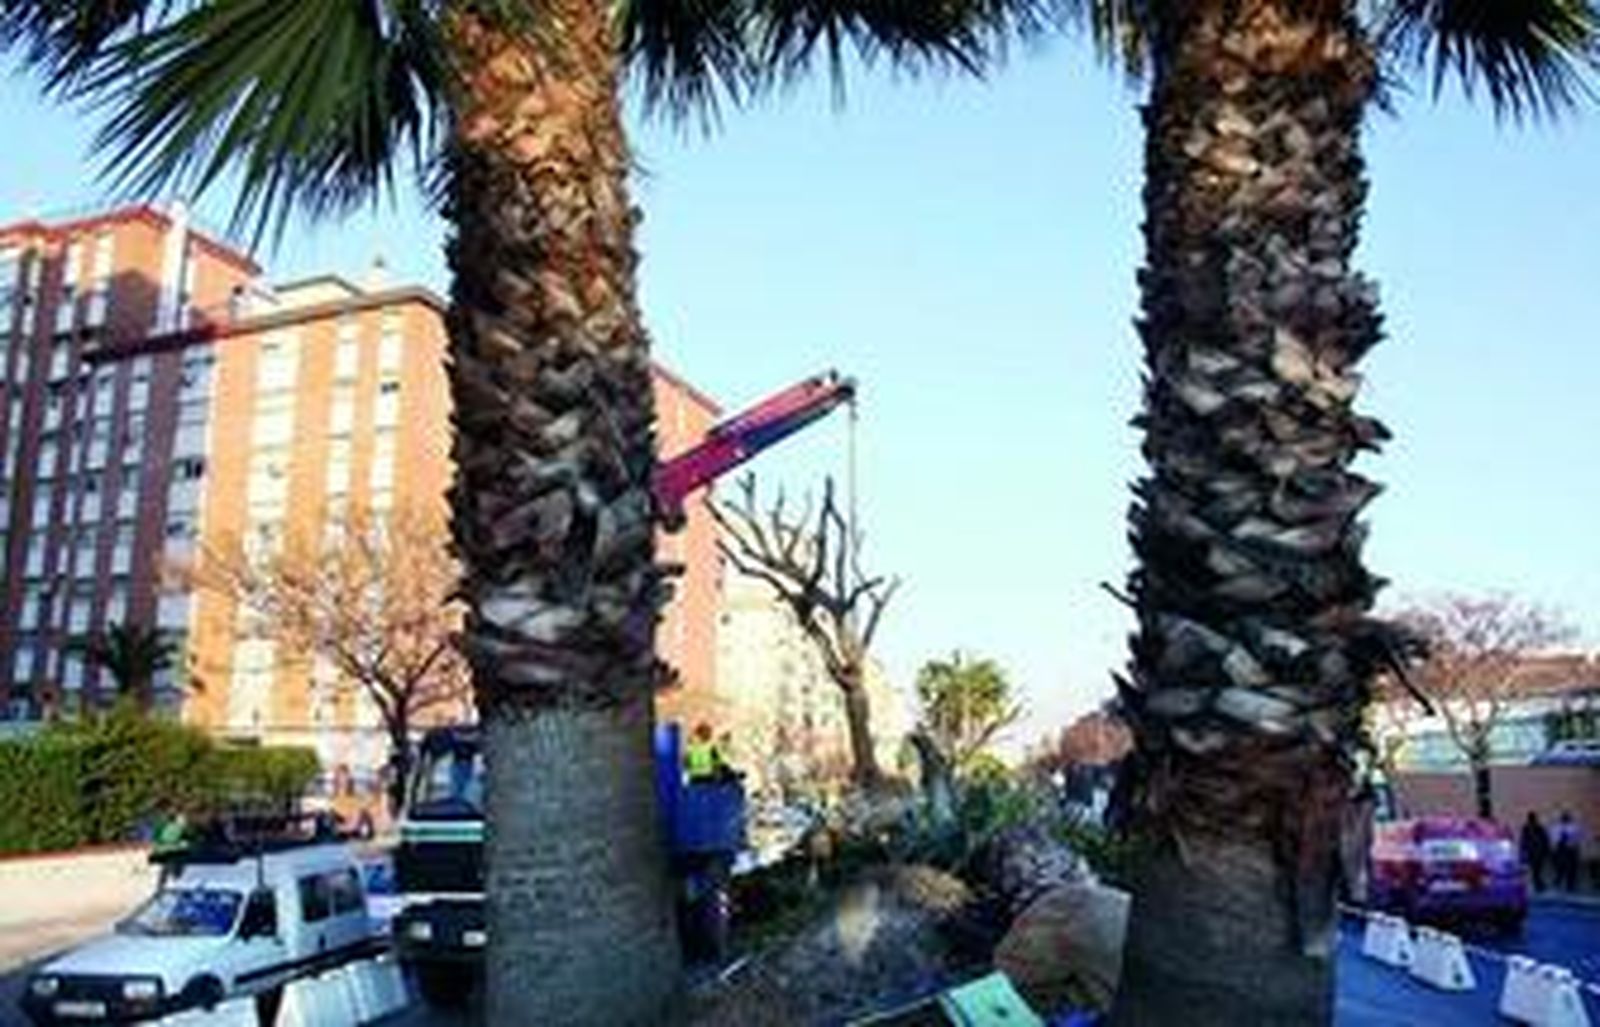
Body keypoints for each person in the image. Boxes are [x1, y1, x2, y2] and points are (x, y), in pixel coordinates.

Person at [1520, 811, 1552, 892]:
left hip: (1536, 851)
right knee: (1535, 869)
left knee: (1536, 869)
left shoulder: (1535, 828)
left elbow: (1524, 840)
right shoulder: (1529, 828)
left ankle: (1537, 883)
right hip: (1535, 852)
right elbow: (1524, 840)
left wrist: (1523, 850)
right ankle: (1537, 883)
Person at [1552, 811, 1582, 891]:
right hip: (1563, 849)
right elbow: (1554, 838)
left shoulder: (1574, 827)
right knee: (1562, 867)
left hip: (1570, 849)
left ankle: (1569, 883)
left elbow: (1578, 838)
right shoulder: (1558, 827)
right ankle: (1560, 881)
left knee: (1570, 867)